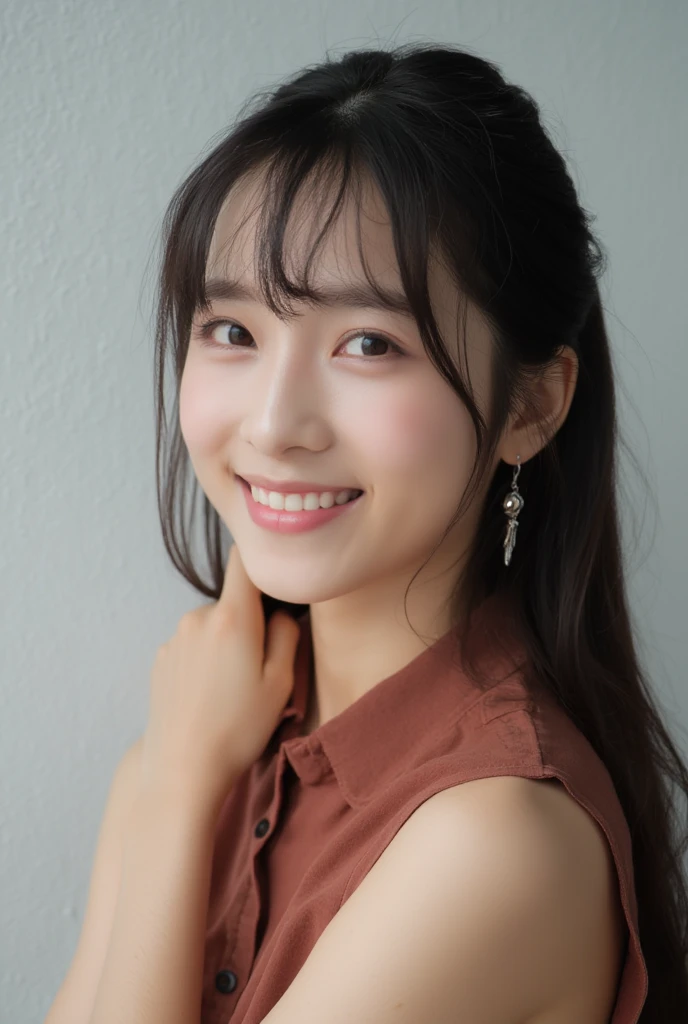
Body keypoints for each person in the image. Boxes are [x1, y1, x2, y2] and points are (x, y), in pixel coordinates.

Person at [45, 42, 688, 1024]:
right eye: (232, 331)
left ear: (531, 404)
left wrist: (172, 791)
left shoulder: (496, 836)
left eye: (367, 343)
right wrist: (179, 771)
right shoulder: (215, 727)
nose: (271, 423)